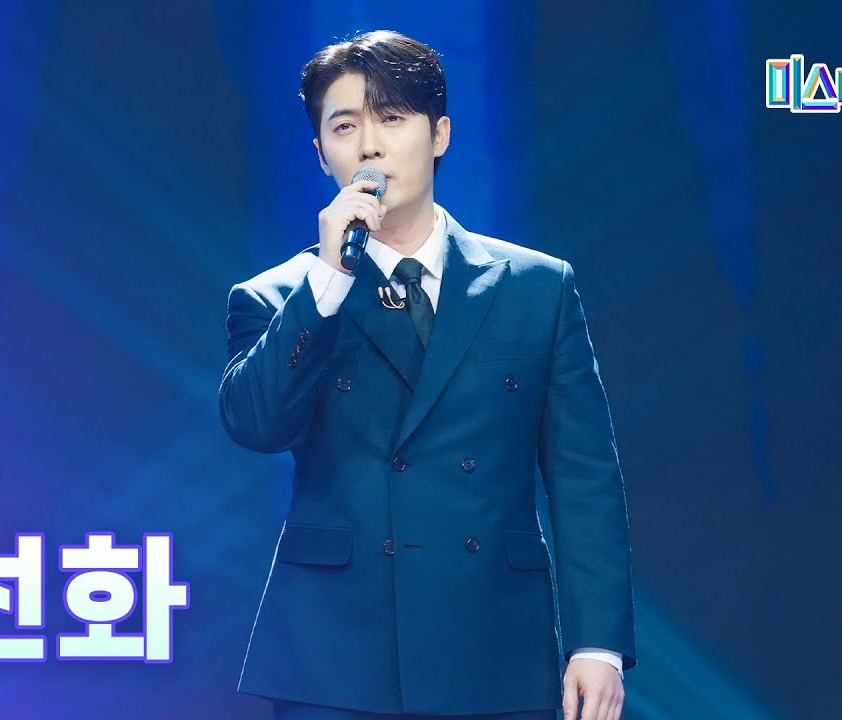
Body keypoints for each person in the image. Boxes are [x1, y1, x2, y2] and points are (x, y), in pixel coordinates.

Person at [220, 30, 636, 720]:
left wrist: (597, 643)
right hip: (336, 660)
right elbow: (256, 424)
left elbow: (584, 476)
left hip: (495, 645)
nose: (370, 146)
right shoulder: (279, 297)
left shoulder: (537, 288)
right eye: (345, 127)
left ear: (439, 134)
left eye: (392, 118)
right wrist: (328, 281)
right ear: (320, 152)